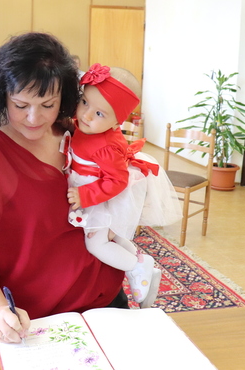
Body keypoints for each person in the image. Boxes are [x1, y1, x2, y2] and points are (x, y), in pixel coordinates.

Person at [0, 33, 127, 345]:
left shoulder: (72, 129)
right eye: (21, 105)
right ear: (2, 95)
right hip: (37, 318)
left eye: (48, 105)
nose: (34, 118)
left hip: (104, 297)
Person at [66, 64, 181, 308]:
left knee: (96, 244)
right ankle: (141, 263)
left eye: (99, 113)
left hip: (99, 197)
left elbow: (117, 180)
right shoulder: (85, 126)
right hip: (92, 191)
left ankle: (136, 266)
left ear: (117, 121)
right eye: (85, 102)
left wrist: (85, 195)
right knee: (115, 237)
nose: (86, 115)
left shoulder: (106, 147)